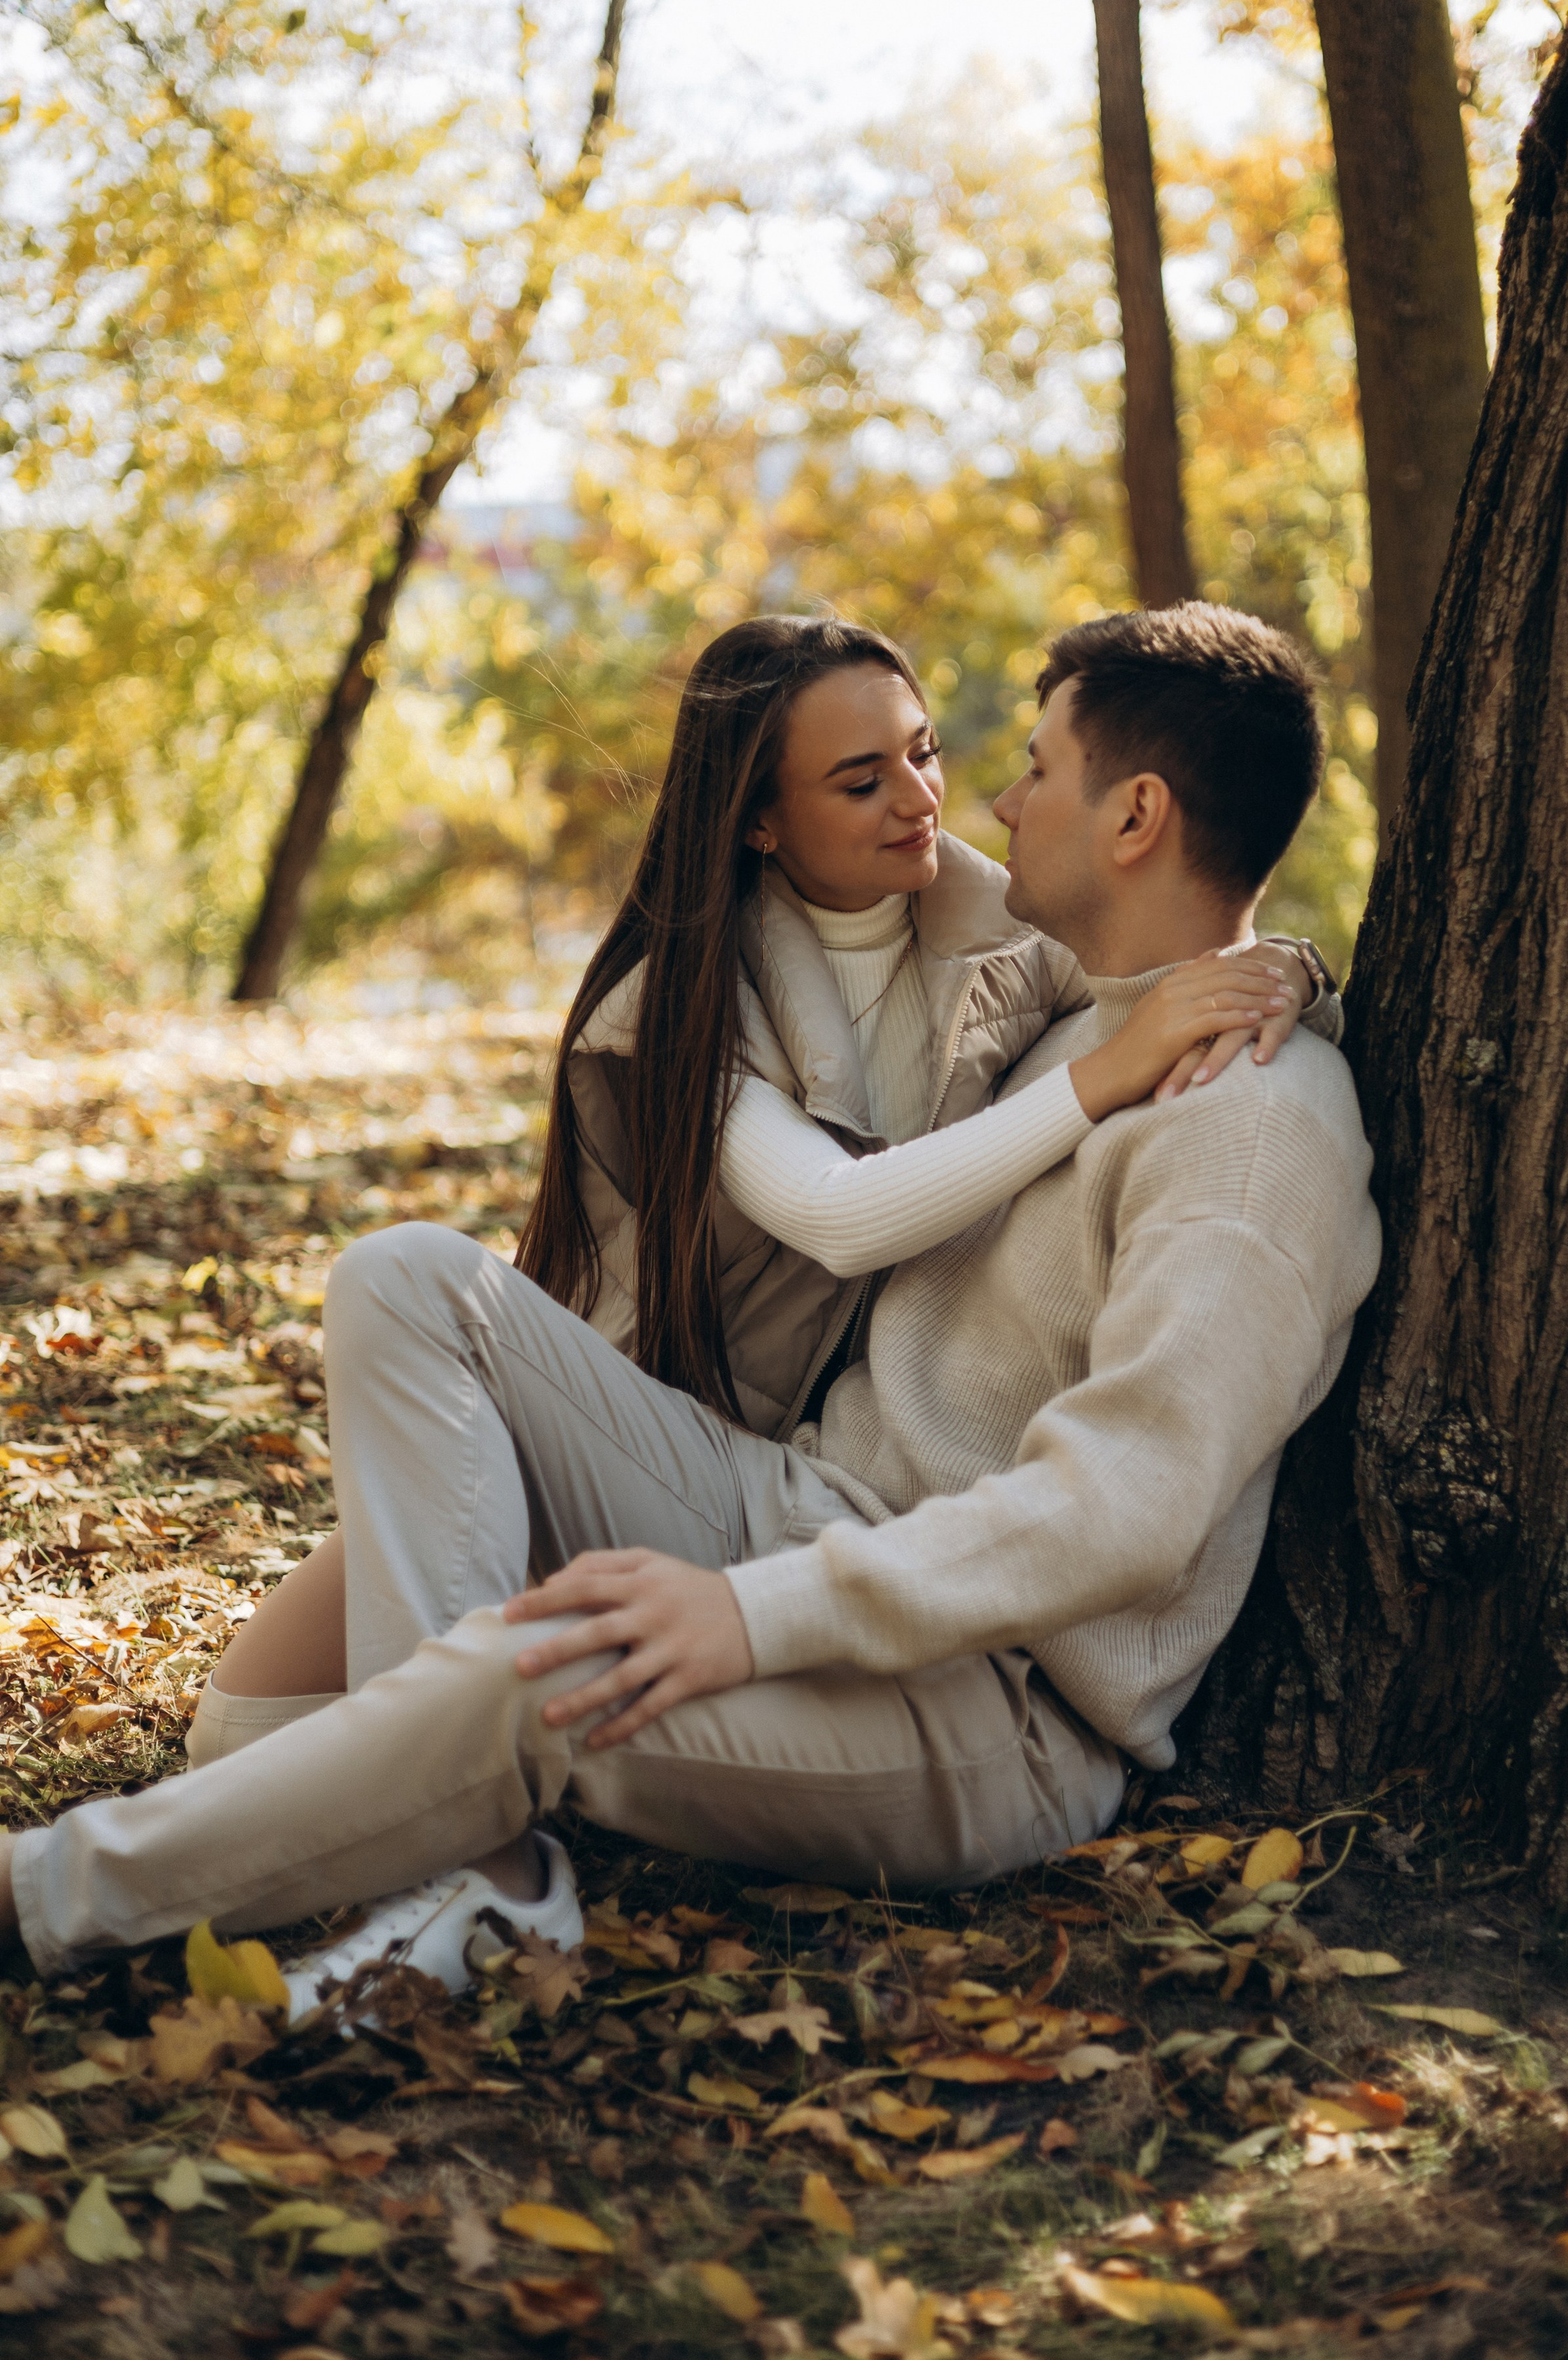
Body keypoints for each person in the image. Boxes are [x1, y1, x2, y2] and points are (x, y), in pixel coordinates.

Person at [0, 602, 1380, 2003]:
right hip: (790, 1508)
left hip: (991, 1702)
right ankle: (458, 1860)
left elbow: (1122, 1511)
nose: (985, 801)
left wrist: (754, 1618)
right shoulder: (1082, 1017)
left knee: (529, 1678)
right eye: (883, 773)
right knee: (406, 1281)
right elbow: (858, 1206)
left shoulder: (1248, 1128)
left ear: (1136, 814)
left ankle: (51, 1895)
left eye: (1028, 766)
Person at [181, 615, 1338, 1765]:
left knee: (436, 1729)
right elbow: (843, 1216)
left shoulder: (1016, 930)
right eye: (860, 781)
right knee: (238, 1736)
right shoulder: (688, 1001)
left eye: (924, 753)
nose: (925, 802)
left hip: (798, 1492)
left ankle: (423, 1806)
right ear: (764, 824)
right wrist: (1097, 1080)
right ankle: (414, 1789)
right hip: (627, 1436)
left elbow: (1173, 933)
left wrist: (1287, 969)